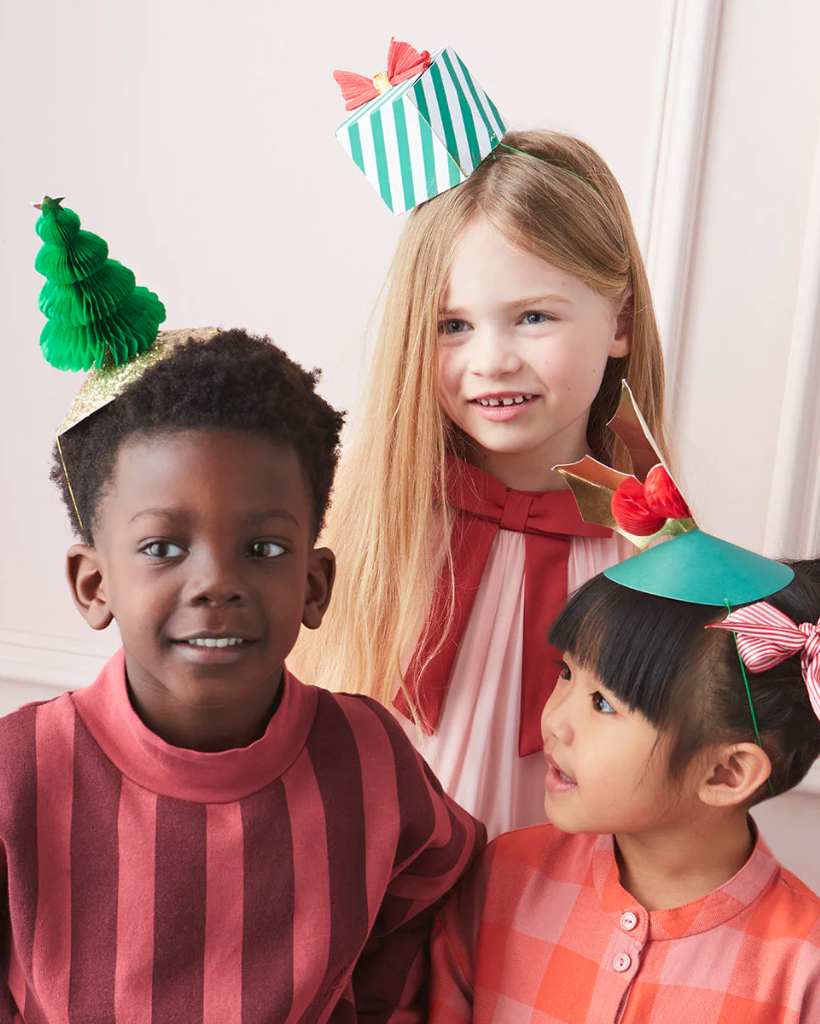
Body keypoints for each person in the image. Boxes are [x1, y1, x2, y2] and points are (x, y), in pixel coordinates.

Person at [5, 199, 485, 1023]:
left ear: (314, 585)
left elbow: (435, 889)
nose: (216, 582)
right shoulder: (19, 776)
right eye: (163, 549)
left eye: (263, 550)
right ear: (94, 585)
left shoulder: (369, 759)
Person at [299, 128, 668, 837]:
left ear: (619, 321)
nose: (491, 361)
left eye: (533, 317)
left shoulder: (653, 557)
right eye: (453, 325)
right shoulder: (364, 526)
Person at [429, 392, 820, 1022]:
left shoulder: (802, 969)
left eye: (603, 703)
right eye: (565, 673)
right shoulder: (500, 880)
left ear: (725, 772)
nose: (554, 719)